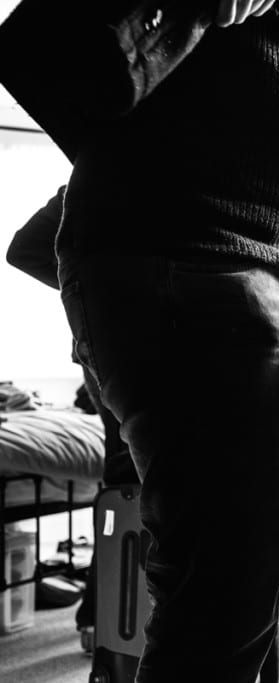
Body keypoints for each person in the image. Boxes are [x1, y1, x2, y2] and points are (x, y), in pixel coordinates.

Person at [48, 0, 279, 680]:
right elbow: (57, 58)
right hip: (200, 266)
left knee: (268, 581)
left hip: (257, 276)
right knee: (223, 603)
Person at [5, 185, 139, 645]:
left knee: (126, 482)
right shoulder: (113, 170)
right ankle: (113, 629)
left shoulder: (94, 173)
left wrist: (86, 291)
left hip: (104, 347)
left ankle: (101, 622)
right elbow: (22, 251)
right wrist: (85, 290)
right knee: (134, 487)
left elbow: (23, 251)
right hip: (128, 348)